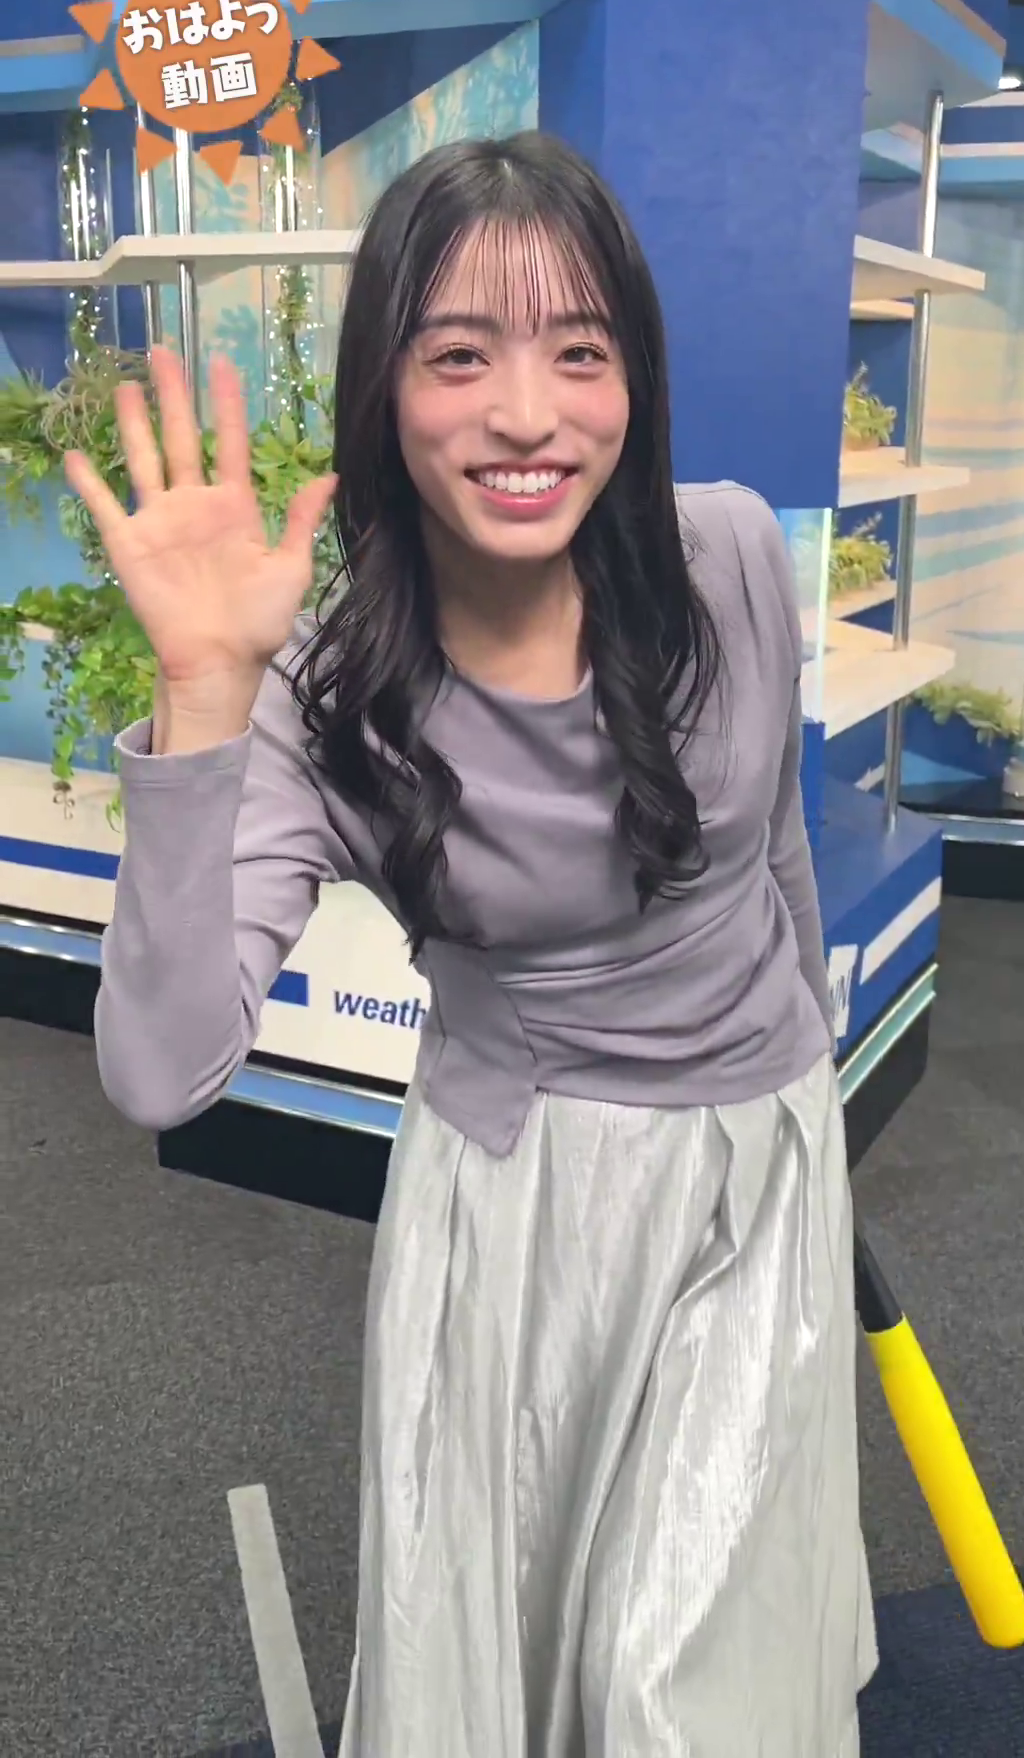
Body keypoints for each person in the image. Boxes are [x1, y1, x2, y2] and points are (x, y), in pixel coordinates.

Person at [68, 131, 878, 1756]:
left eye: (581, 352)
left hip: (764, 1164)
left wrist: (814, 1096)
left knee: (680, 1690)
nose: (527, 414)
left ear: (634, 378)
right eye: (460, 357)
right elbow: (163, 1072)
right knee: (512, 1662)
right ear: (386, 389)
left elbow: (773, 857)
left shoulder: (727, 554)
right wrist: (206, 698)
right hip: (526, 1209)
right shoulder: (330, 692)